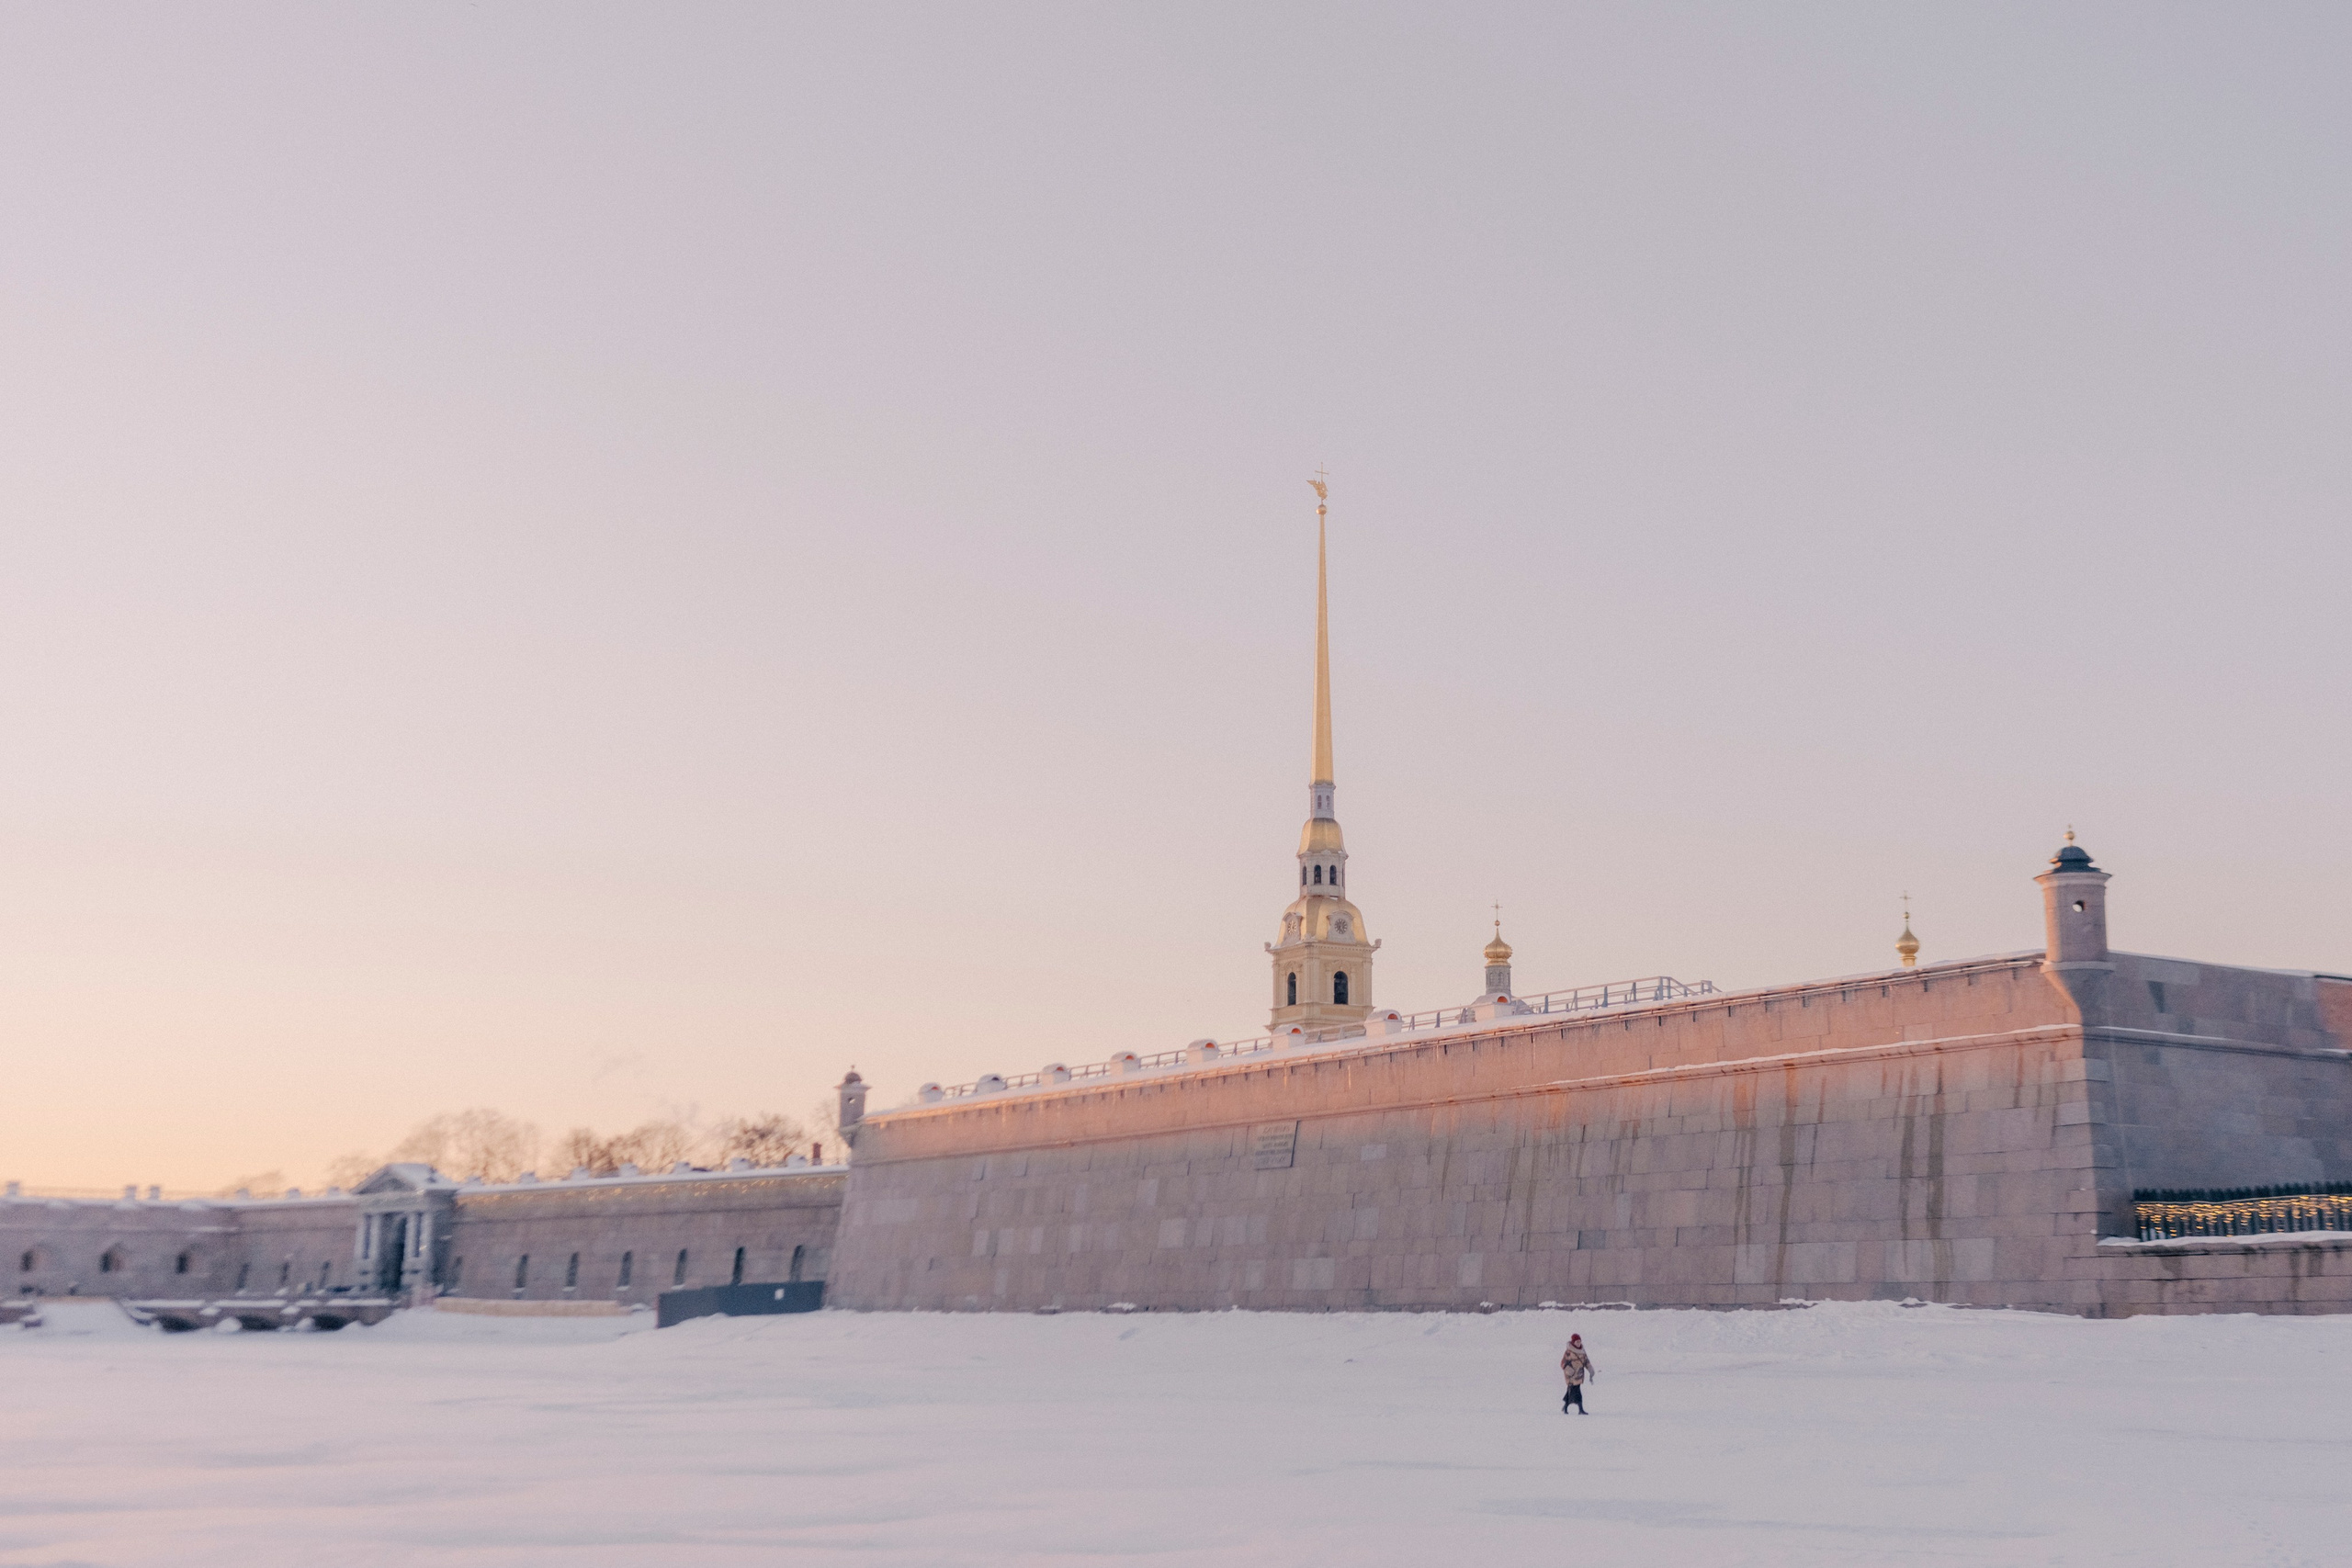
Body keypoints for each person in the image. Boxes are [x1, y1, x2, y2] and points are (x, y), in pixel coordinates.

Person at [1560, 1332, 1596, 1415]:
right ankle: (1580, 1409)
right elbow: (1563, 1363)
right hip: (1572, 1376)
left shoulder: (1582, 1351)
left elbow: (1586, 1361)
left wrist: (1591, 1369)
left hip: (1579, 1375)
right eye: (1577, 1342)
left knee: (1571, 1392)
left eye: (1579, 1341)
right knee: (1576, 1392)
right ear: (1573, 1342)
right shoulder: (1569, 1352)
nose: (1579, 1343)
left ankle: (1565, 1407)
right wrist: (1568, 1370)